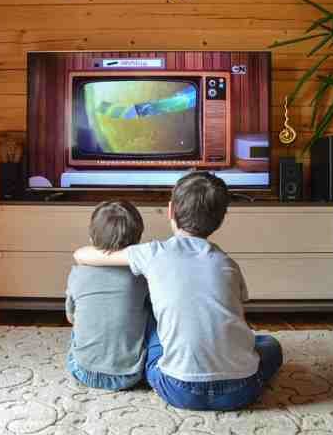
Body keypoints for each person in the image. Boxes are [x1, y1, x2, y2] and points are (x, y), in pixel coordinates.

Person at [74, 171, 283, 410]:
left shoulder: (152, 253)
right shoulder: (228, 264)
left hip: (177, 388)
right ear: (220, 220)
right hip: (240, 390)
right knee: (270, 345)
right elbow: (238, 312)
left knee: (151, 315)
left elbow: (87, 255)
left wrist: (78, 253)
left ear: (171, 210)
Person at [65, 200, 150, 390]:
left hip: (82, 370)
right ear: (138, 239)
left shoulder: (78, 273)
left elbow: (70, 318)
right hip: (130, 375)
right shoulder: (142, 277)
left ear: (91, 237)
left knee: (82, 320)